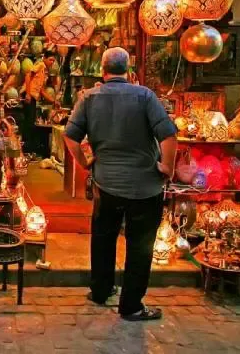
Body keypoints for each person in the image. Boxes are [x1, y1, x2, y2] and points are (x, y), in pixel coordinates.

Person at [65, 47, 177, 321]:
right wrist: (167, 167)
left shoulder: (89, 98)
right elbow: (169, 135)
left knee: (103, 239)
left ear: (102, 70)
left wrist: (85, 164)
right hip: (145, 187)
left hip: (107, 184)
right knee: (139, 246)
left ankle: (101, 291)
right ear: (129, 69)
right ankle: (131, 306)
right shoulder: (145, 96)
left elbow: (70, 138)